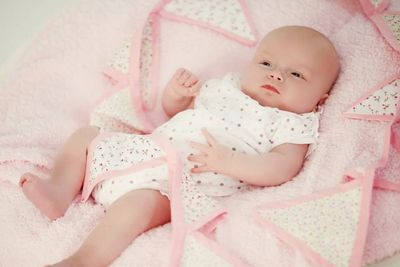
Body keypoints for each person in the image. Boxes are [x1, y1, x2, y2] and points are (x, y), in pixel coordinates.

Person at [19, 25, 340, 266]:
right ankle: (59, 190)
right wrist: (177, 95)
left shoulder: (293, 123)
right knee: (88, 134)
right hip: (144, 151)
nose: (277, 76)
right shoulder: (226, 88)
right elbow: (178, 114)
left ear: (319, 98)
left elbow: (282, 167)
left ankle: (85, 259)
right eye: (267, 64)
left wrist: (229, 162)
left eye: (297, 74)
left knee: (140, 205)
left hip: (180, 183)